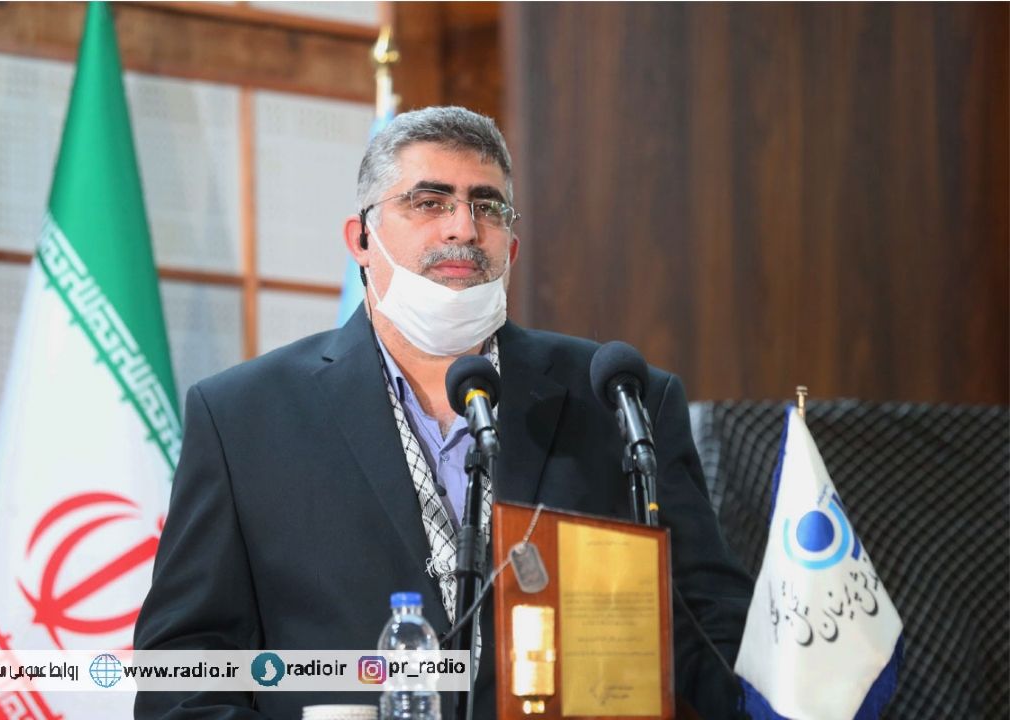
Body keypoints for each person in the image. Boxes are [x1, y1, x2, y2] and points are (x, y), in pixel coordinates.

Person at [134, 106, 753, 719]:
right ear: (361, 240)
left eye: (487, 206)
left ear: (512, 246)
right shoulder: (243, 418)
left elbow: (715, 635)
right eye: (429, 202)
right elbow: (182, 673)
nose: (463, 228)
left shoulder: (618, 398)